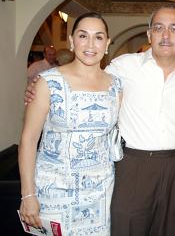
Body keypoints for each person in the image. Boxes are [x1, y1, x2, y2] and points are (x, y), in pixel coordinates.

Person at [18, 12, 121, 235]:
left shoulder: (116, 85)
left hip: (100, 194)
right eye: (83, 36)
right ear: (72, 42)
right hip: (53, 191)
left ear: (107, 43)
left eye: (99, 37)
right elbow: (28, 140)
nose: (91, 44)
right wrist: (28, 195)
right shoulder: (48, 82)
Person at [105, 6, 175, 235]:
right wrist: (46, 84)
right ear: (149, 35)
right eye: (158, 28)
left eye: (174, 28)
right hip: (132, 164)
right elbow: (91, 83)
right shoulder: (123, 66)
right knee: (125, 226)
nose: (166, 35)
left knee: (165, 229)